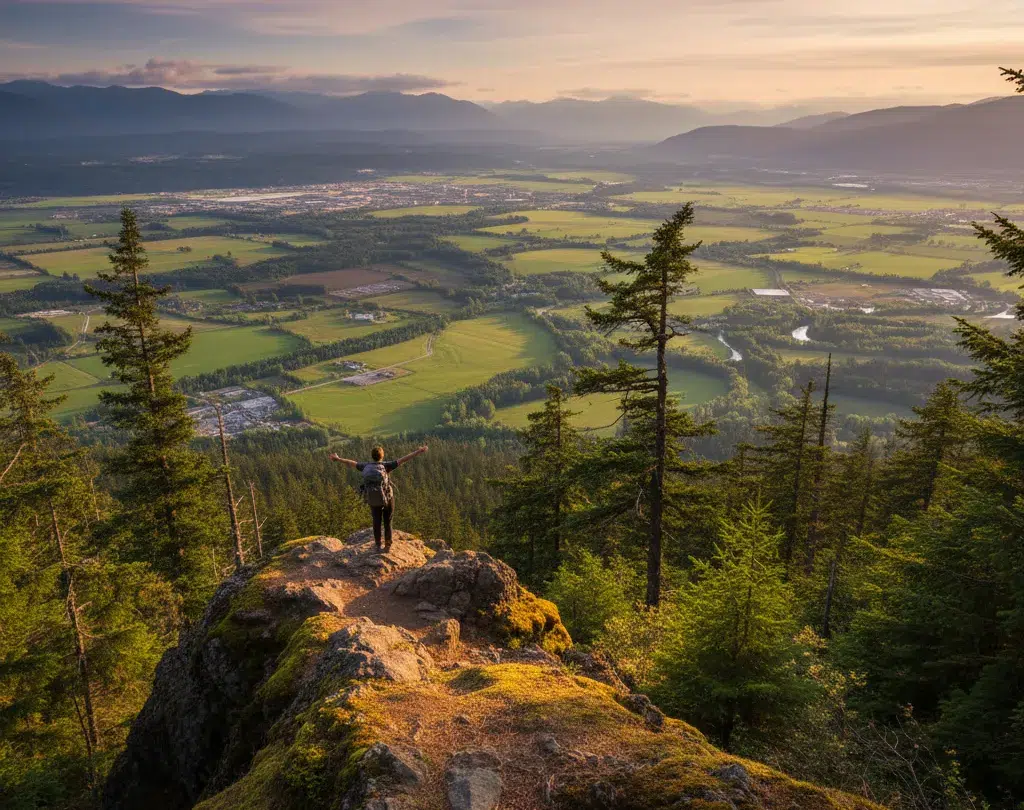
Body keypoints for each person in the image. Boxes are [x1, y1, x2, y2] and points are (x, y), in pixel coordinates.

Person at [329, 445, 428, 552]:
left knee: (376, 522)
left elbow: (351, 462)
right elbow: (404, 459)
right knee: (388, 521)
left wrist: (338, 459)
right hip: (388, 498)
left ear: (372, 456)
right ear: (382, 456)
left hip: (373, 499)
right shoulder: (386, 466)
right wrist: (419, 451)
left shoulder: (365, 466)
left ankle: (377, 545)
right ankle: (388, 546)